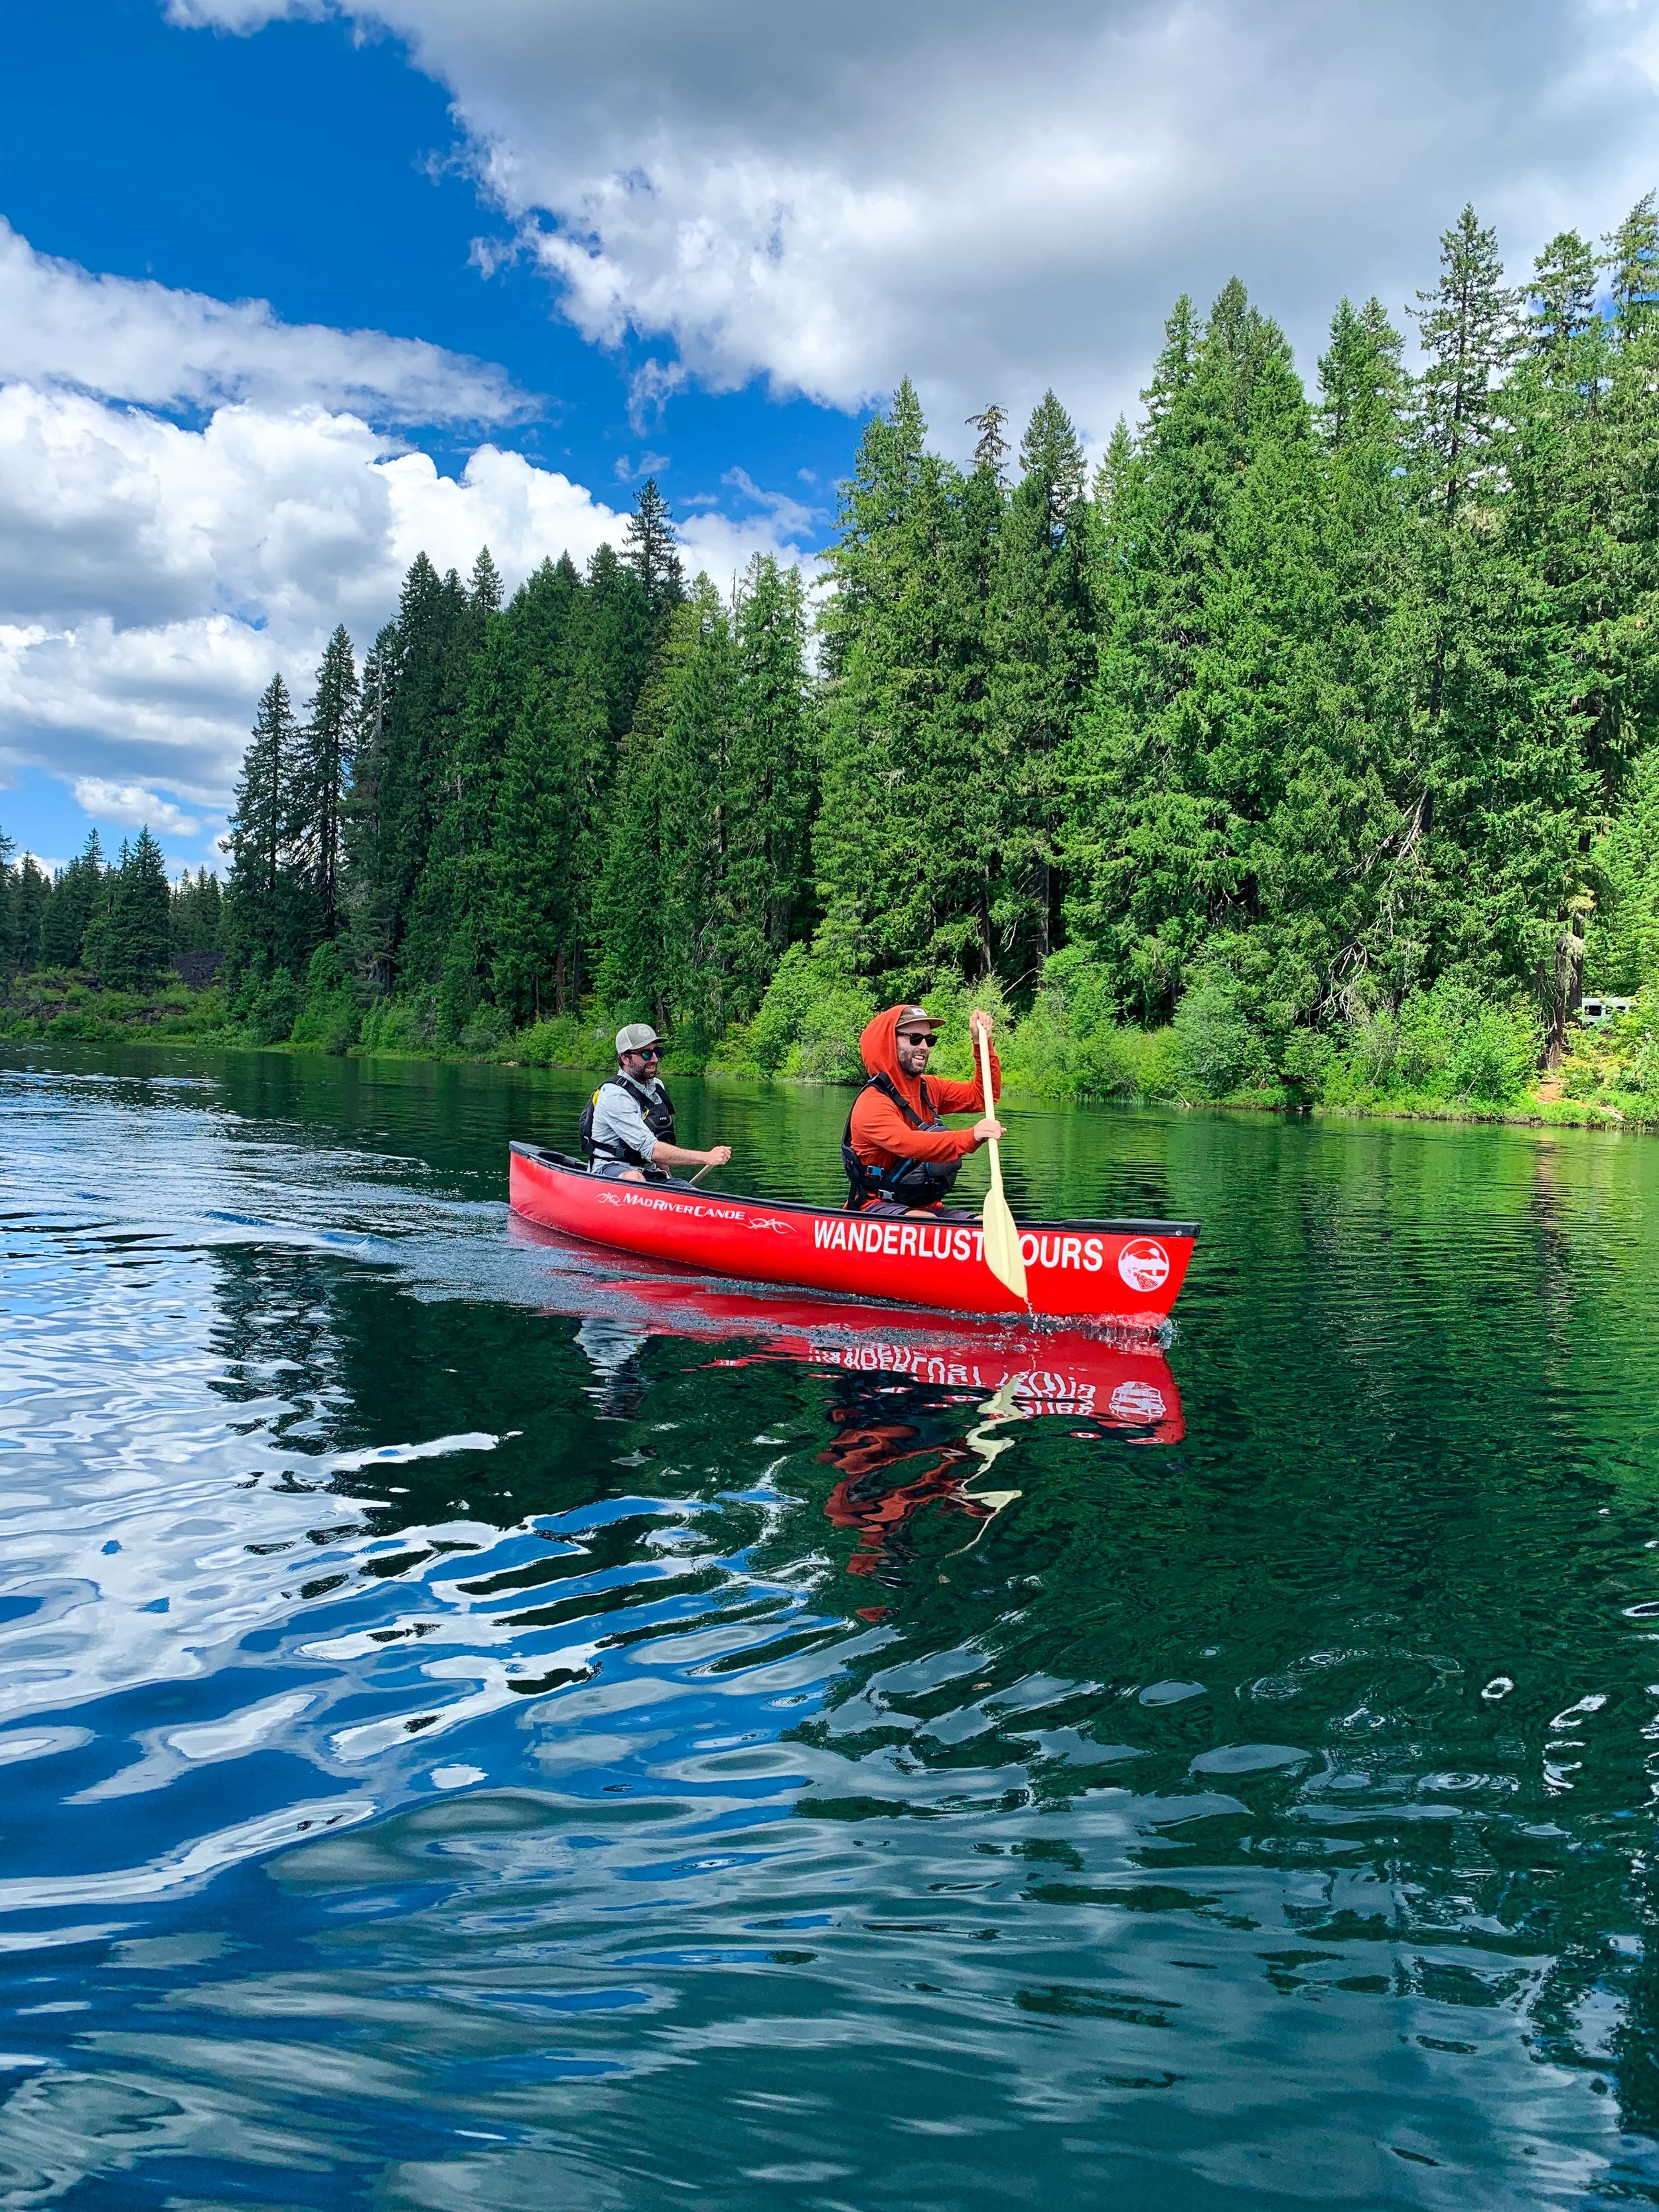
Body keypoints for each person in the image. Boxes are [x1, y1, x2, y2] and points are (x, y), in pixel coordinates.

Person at [841, 1003, 1003, 1215]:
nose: (924, 1046)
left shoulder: (929, 1088)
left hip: (926, 1208)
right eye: (915, 1038)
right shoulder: (872, 1103)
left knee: (981, 1222)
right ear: (888, 1042)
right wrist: (970, 1137)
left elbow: (983, 1096)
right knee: (926, 1220)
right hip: (874, 1207)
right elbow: (909, 1144)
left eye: (929, 1040)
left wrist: (982, 1044)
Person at [583, 1024, 733, 1183]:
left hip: (648, 1170)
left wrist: (668, 1179)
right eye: (646, 1054)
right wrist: (706, 1157)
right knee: (634, 1178)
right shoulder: (615, 1096)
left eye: (657, 1052)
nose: (655, 1059)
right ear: (625, 1058)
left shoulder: (657, 1087)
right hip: (609, 1169)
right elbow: (651, 1149)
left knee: (685, 1189)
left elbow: (658, 1139)